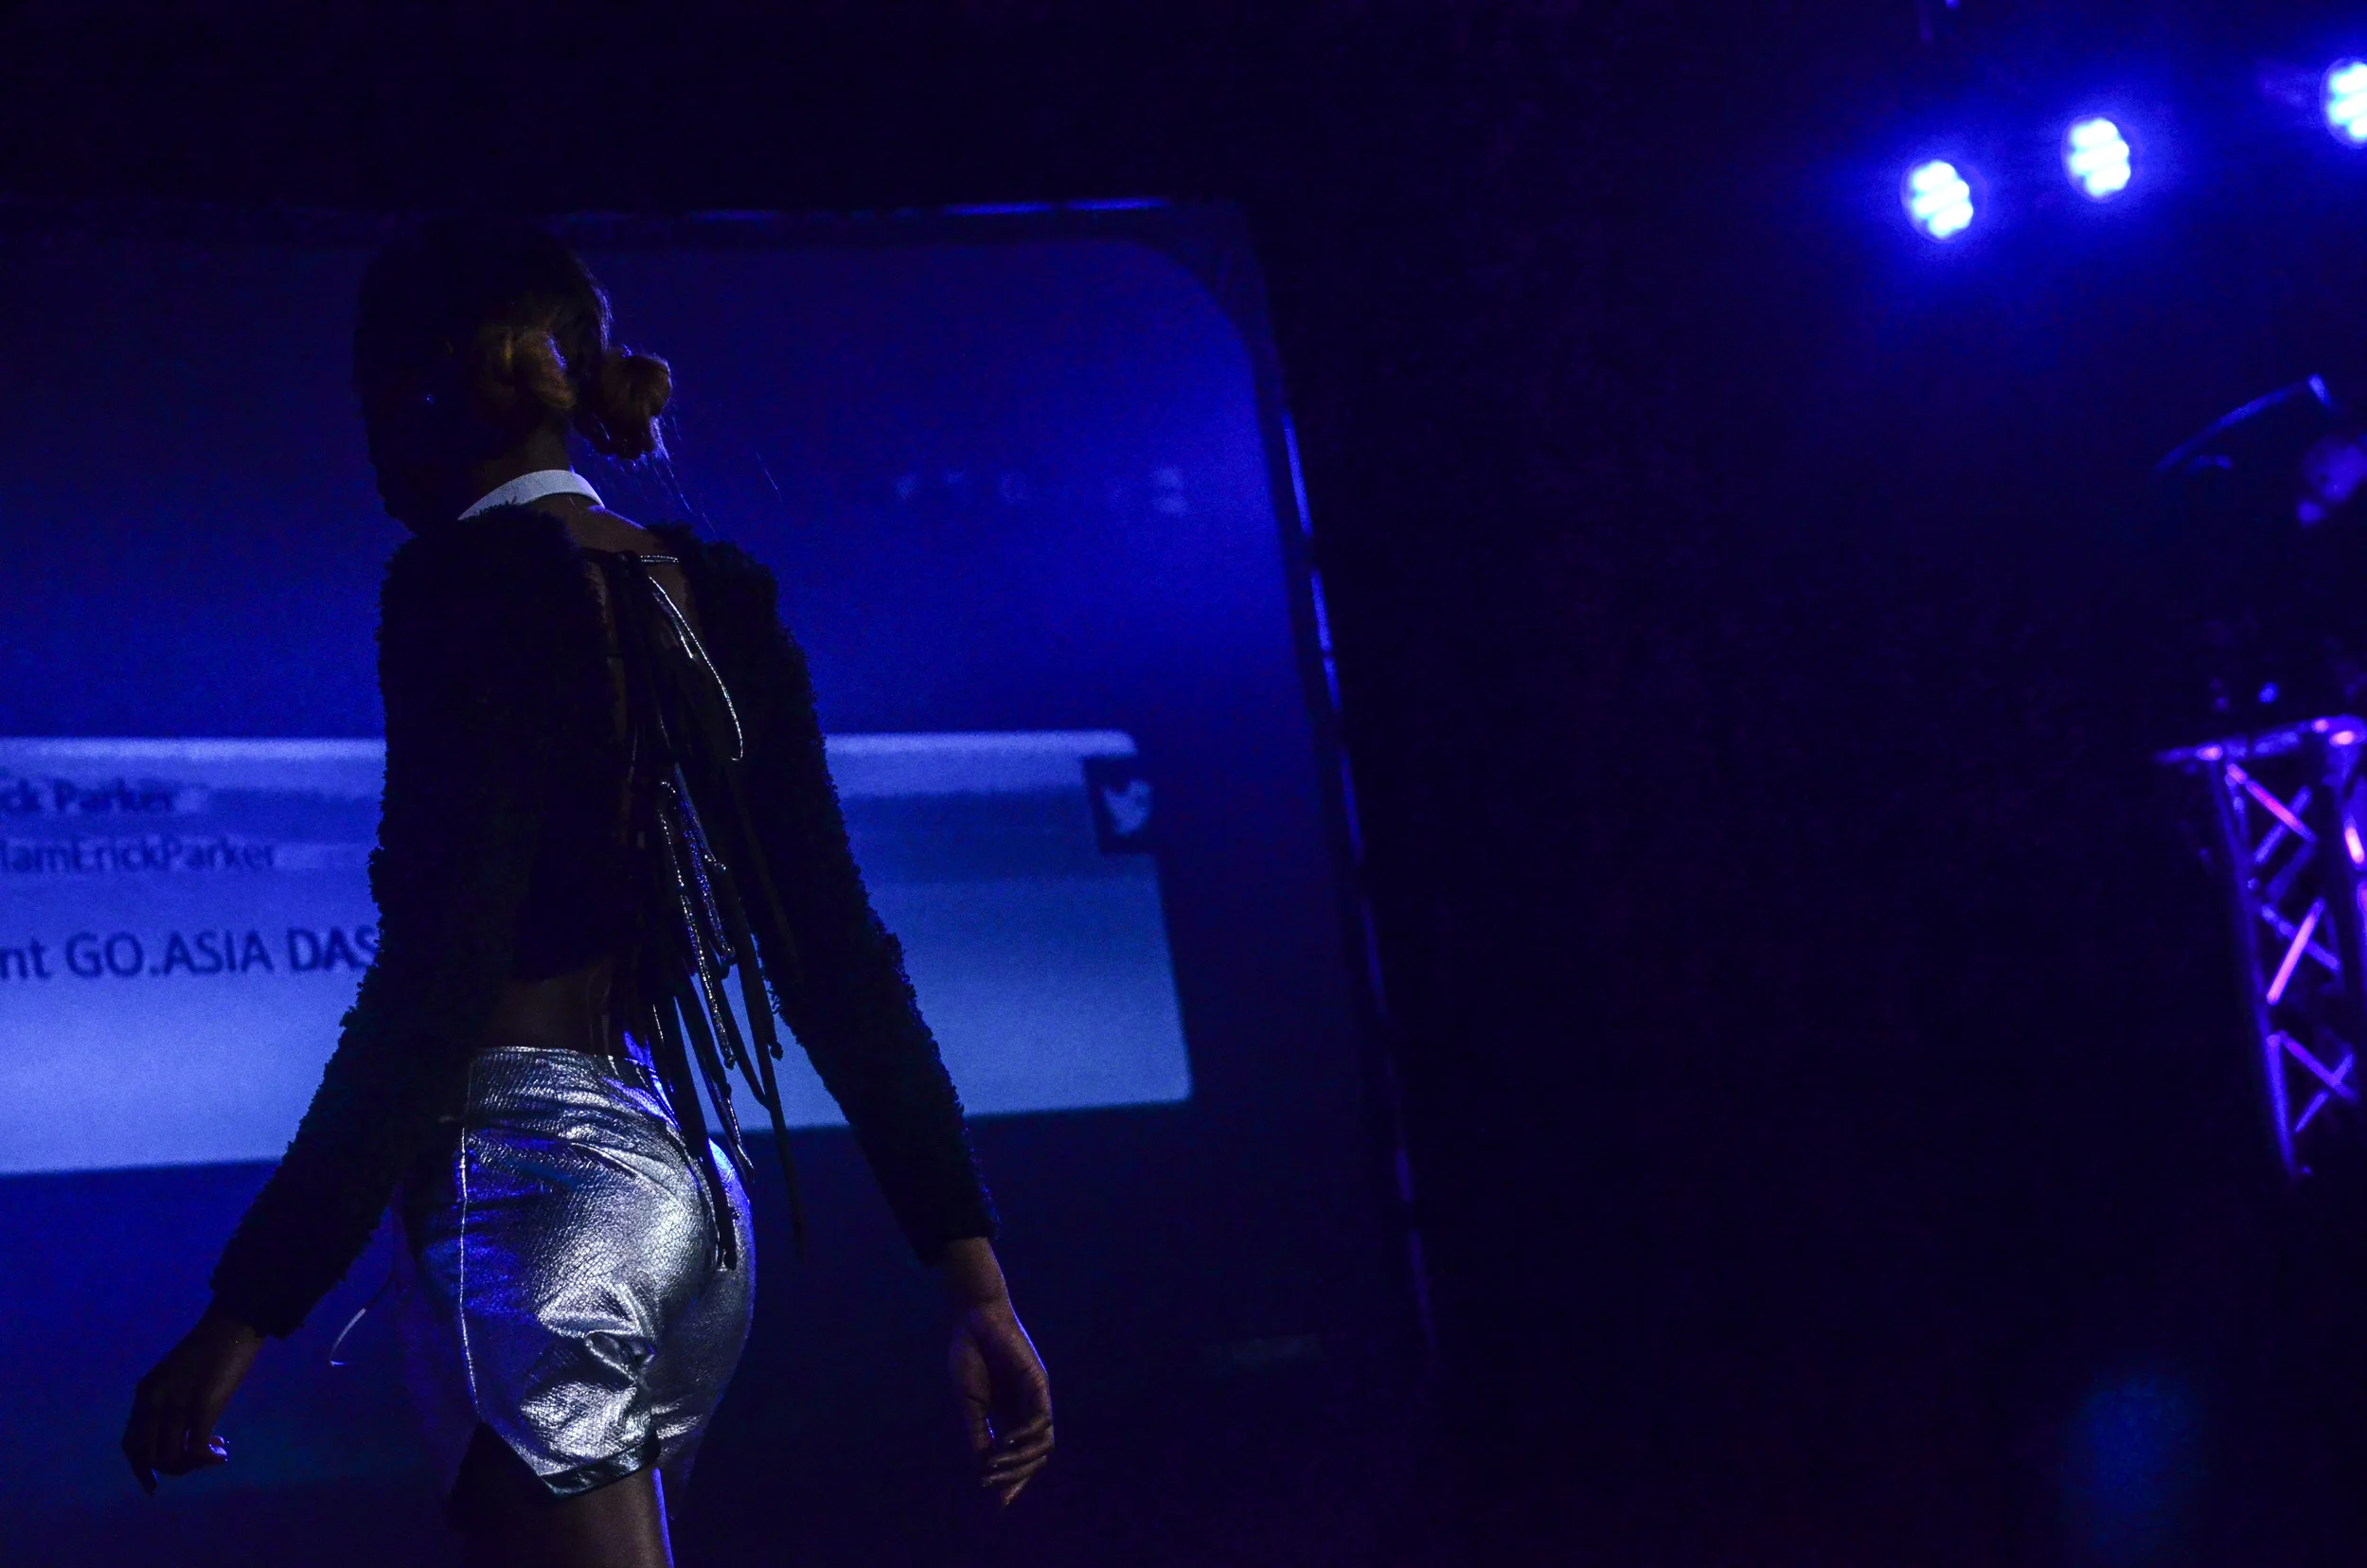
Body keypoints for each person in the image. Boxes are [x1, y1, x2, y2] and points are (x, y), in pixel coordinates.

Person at [120, 217, 1053, 1565]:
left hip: (536, 1208)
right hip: (691, 1204)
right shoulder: (712, 595)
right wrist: (978, 1287)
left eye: (376, 393)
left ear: (432, 397)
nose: (368, 438)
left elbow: (438, 977)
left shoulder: (459, 590)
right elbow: (837, 956)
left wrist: (242, 1316)